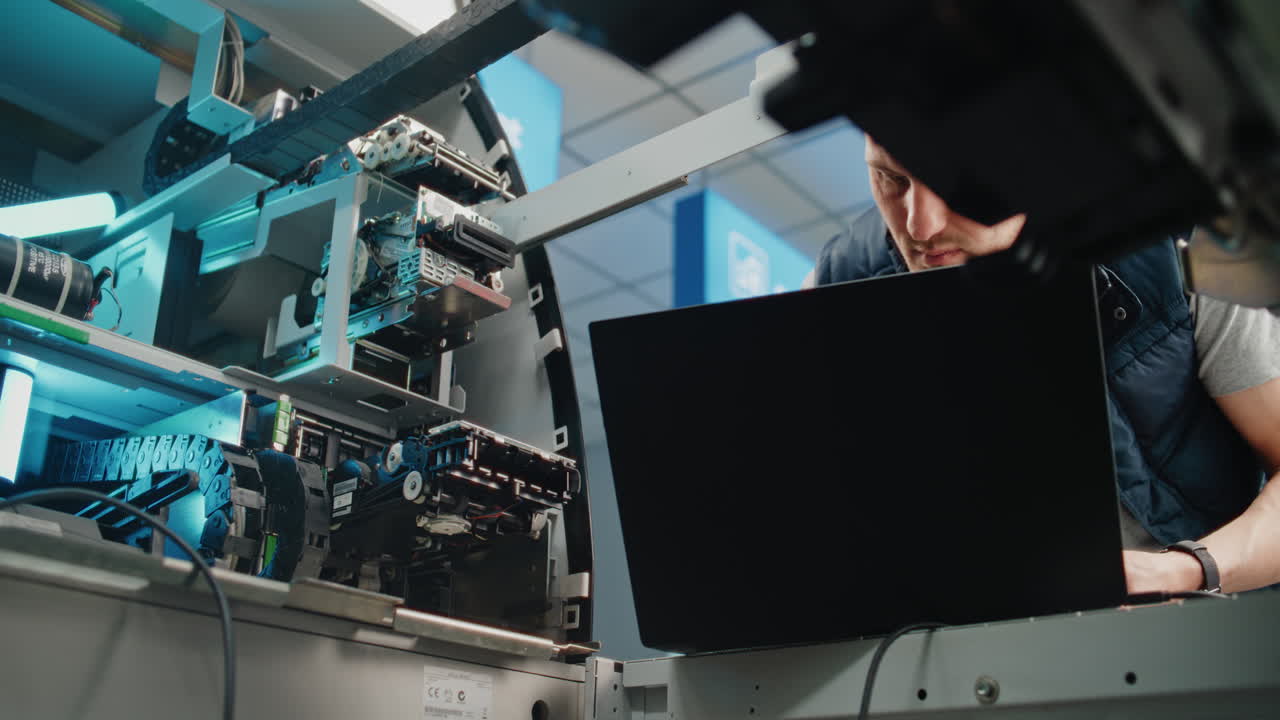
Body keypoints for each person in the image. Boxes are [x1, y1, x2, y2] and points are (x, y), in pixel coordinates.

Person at [806, 136, 1280, 595]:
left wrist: (1185, 570)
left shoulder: (1185, 242)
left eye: (951, 181)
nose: (920, 226)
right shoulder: (838, 283)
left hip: (1185, 622)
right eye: (891, 178)